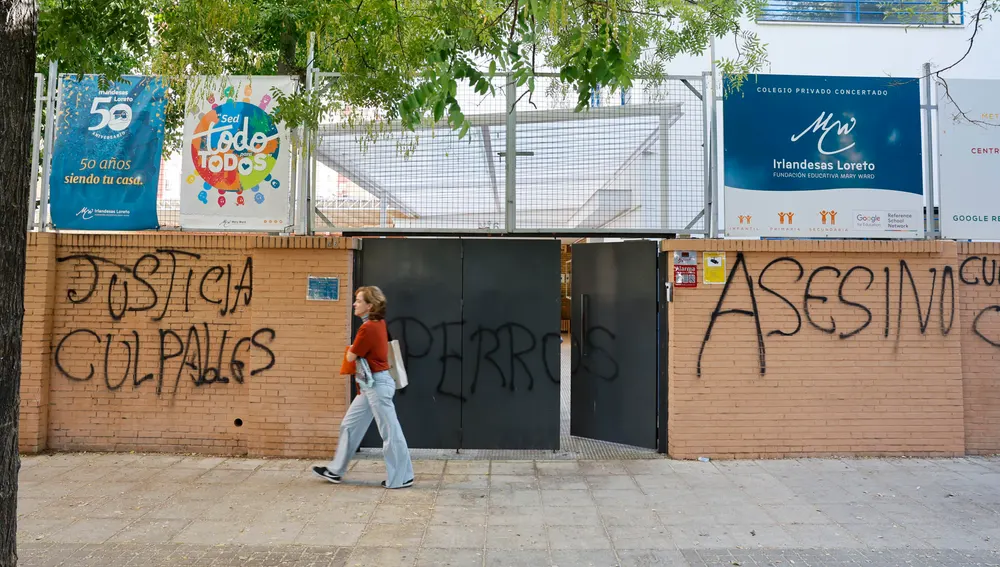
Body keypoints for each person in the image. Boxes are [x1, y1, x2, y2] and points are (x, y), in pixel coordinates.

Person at [312, 286, 414, 489]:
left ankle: (402, 477)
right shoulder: (379, 324)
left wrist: (352, 350)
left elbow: (351, 356)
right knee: (350, 425)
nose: (354, 304)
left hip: (376, 385)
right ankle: (335, 471)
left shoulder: (367, 328)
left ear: (370, 305)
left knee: (390, 431)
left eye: (358, 301)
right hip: (370, 385)